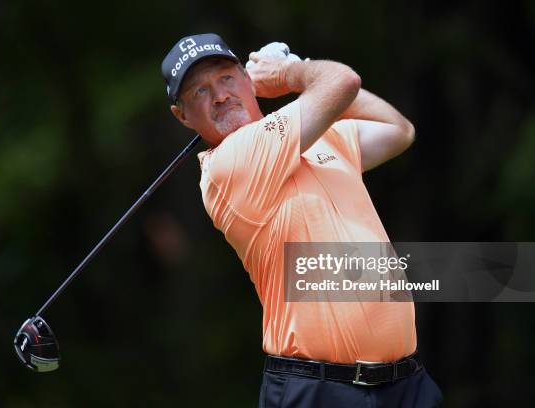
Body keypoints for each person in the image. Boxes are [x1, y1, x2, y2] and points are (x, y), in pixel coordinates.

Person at [161, 33, 443, 407]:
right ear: (182, 116)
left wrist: (301, 75)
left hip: (406, 385)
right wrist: (293, 73)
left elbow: (398, 130)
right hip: (321, 389)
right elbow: (343, 82)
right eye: (199, 91)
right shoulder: (230, 162)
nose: (219, 96)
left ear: (248, 79)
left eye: (227, 78)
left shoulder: (321, 140)